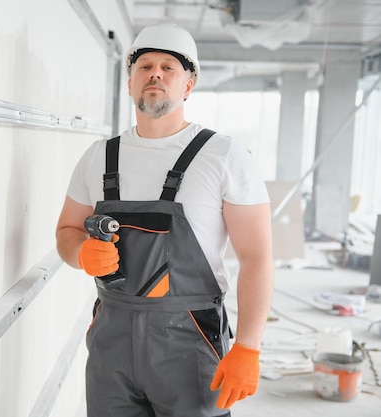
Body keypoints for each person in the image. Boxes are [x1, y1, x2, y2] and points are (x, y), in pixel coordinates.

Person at [55, 23, 274, 417]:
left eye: (168, 67)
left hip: (190, 342)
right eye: (145, 66)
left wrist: (248, 347)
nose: (154, 74)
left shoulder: (223, 156)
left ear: (188, 85)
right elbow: (67, 231)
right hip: (112, 340)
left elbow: (257, 256)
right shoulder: (98, 157)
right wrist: (81, 252)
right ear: (130, 83)